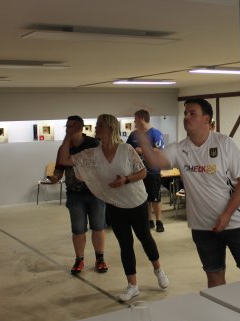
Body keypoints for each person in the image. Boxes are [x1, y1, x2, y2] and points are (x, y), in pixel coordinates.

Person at [57, 114, 168, 302]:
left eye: (99, 125)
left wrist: (126, 179)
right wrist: (68, 136)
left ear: (109, 128)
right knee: (125, 244)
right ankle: (132, 286)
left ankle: (158, 270)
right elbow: (64, 160)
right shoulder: (93, 154)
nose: (96, 127)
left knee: (145, 238)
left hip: (137, 201)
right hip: (115, 205)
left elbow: (142, 172)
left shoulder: (126, 149)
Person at [139, 98, 240, 288]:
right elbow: (156, 162)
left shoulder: (224, 144)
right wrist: (142, 136)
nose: (186, 117)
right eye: (185, 113)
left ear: (206, 119)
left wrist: (227, 214)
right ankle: (219, 307)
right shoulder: (180, 149)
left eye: (192, 113)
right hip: (203, 226)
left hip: (236, 223)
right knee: (214, 276)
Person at [49, 115, 108, 275]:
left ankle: (100, 259)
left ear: (80, 128)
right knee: (78, 228)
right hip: (75, 193)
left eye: (72, 126)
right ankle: (79, 259)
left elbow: (103, 165)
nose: (68, 129)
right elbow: (59, 169)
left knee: (98, 226)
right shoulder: (64, 147)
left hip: (95, 192)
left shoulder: (93, 144)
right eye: (67, 126)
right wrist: (55, 177)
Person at [126, 109, 166, 232]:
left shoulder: (155, 133)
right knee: (144, 198)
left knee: (155, 198)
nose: (134, 122)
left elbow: (160, 151)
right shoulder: (133, 135)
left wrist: (143, 150)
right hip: (137, 172)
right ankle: (149, 220)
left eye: (135, 119)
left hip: (152, 171)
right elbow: (126, 150)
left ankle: (159, 221)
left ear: (142, 119)